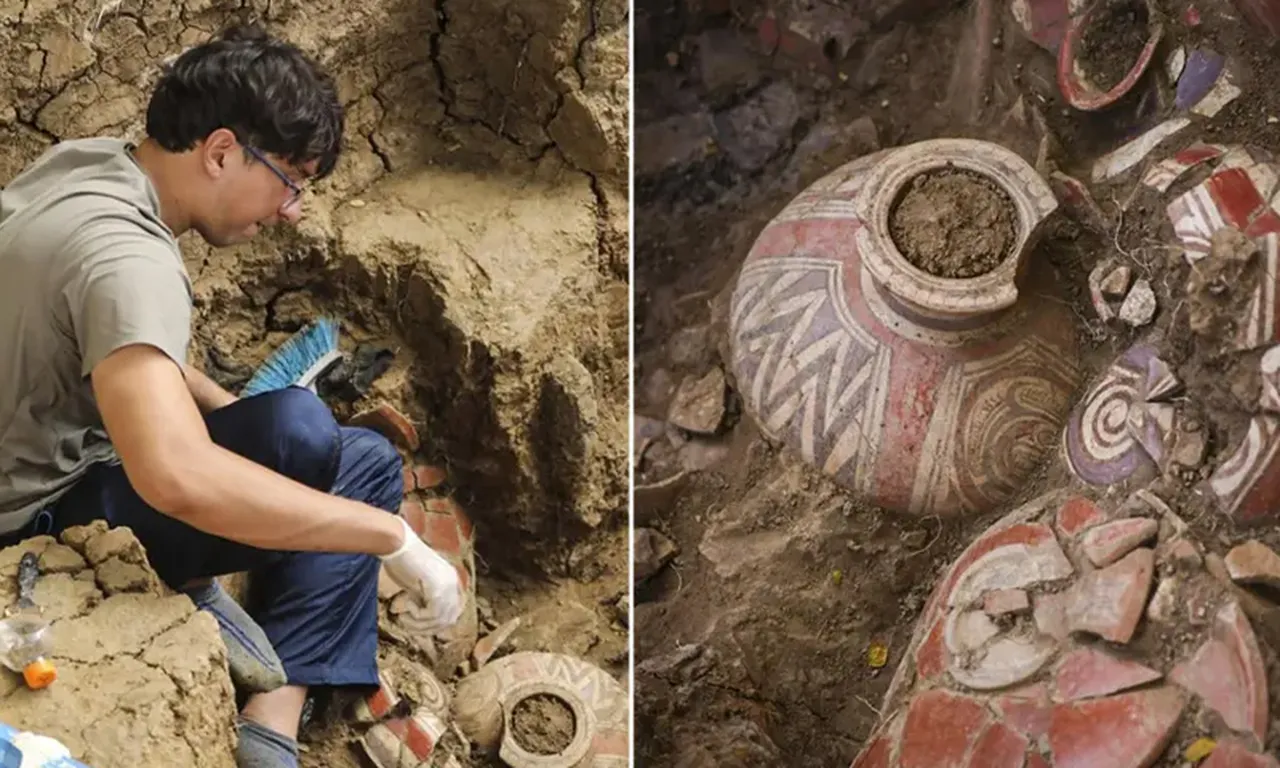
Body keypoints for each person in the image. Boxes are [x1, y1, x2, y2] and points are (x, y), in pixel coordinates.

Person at [0, 22, 462, 768]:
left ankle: (270, 714)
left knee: (360, 457)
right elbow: (174, 477)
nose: (291, 210)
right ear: (220, 152)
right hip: (37, 523)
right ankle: (194, 600)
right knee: (312, 443)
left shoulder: (82, 169)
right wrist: (392, 540)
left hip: (40, 462)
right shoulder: (131, 259)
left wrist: (232, 411)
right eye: (290, 183)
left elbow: (115, 343)